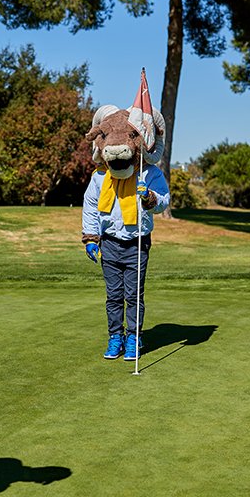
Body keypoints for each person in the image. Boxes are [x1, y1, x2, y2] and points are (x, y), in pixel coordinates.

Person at [81, 106, 170, 361]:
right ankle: (115, 337)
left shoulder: (148, 173)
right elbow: (90, 207)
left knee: (133, 295)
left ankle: (134, 336)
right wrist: (90, 237)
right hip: (109, 243)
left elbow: (164, 200)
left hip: (137, 244)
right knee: (113, 296)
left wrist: (150, 198)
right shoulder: (100, 177)